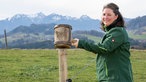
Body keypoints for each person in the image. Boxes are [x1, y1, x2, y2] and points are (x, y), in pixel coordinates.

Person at [71, 3, 133, 82]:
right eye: (104, 14)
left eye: (109, 15)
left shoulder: (118, 32)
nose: (105, 17)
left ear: (116, 16)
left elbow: (104, 48)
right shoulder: (111, 32)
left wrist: (81, 43)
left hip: (117, 78)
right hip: (108, 78)